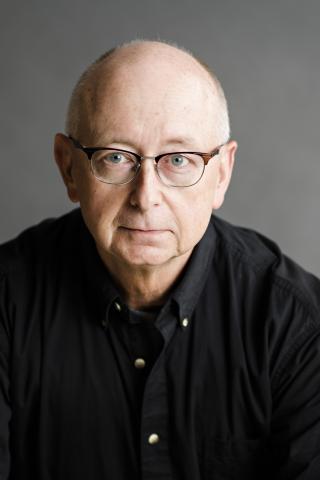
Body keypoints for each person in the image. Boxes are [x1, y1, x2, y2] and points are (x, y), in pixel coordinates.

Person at [1, 39, 320, 480]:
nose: (146, 197)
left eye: (179, 160)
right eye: (115, 156)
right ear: (68, 167)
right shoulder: (7, 301)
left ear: (221, 174)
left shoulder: (298, 325)